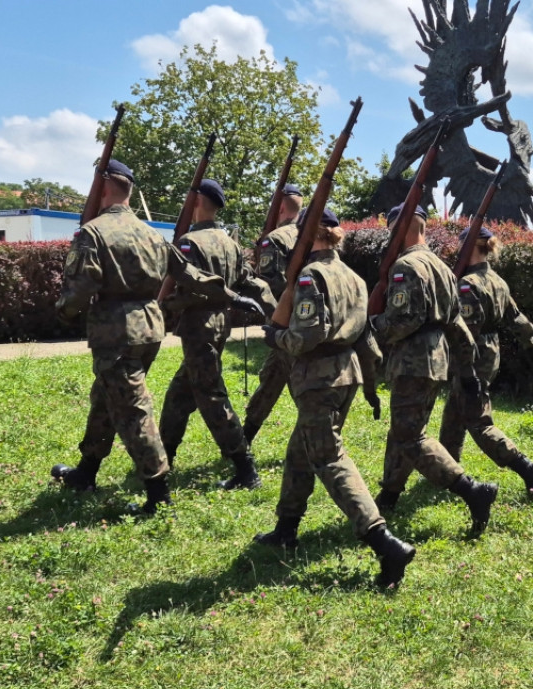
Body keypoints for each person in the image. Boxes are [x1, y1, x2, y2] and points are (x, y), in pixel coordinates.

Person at [51, 159, 261, 514]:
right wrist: (232, 296)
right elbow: (191, 275)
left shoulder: (94, 232)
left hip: (115, 331)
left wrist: (63, 310)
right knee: (107, 396)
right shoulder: (152, 233)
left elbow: (80, 288)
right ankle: (86, 472)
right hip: (149, 328)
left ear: (103, 189)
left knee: (133, 410)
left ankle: (158, 492)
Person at [254, 207, 414, 587]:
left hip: (318, 377)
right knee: (300, 449)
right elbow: (367, 340)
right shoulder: (354, 278)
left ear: (312, 236)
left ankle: (384, 542)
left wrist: (273, 335)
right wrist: (371, 386)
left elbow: (306, 335)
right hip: (347, 376)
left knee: (329, 458)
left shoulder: (311, 276)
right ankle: (286, 527)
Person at [369, 204, 498, 534]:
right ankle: (389, 495)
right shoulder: (441, 267)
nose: (389, 237)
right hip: (437, 360)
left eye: (392, 229)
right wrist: (466, 368)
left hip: (413, 360)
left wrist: (371, 326)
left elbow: (404, 319)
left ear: (405, 228)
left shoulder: (407, 265)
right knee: (405, 428)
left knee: (410, 435)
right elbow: (457, 325)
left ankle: (472, 490)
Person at [158, 179, 275, 490]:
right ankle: (161, 459)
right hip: (220, 324)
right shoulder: (230, 243)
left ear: (197, 201)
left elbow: (196, 286)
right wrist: (275, 312)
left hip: (199, 326)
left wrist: (169, 304)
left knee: (210, 396)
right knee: (179, 393)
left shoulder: (189, 242)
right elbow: (249, 281)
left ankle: (245, 468)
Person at [438, 225, 533, 498]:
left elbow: (467, 333)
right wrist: (530, 343)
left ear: (471, 247)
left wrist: (464, 369)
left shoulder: (468, 285)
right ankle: (445, 473)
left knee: (478, 421)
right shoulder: (497, 280)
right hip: (491, 350)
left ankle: (527, 468)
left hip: (473, 355)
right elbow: (518, 317)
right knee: (454, 412)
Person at [242, 183, 305, 445]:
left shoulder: (276, 239)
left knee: (303, 390)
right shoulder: (308, 235)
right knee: (270, 379)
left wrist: (246, 275)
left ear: (279, 207)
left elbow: (270, 285)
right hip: (302, 321)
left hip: (285, 326)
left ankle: (320, 443)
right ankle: (244, 440)